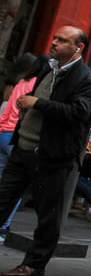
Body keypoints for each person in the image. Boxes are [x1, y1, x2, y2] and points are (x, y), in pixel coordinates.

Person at [0, 26, 91, 276]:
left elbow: (79, 112)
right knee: (2, 200)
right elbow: (40, 97)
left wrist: (39, 104)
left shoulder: (87, 79)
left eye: (62, 40)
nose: (54, 42)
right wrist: (28, 106)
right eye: (54, 37)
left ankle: (34, 264)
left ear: (78, 48)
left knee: (48, 214)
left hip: (50, 156)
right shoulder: (48, 67)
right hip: (22, 148)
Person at [0, 53, 49, 240]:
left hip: (3, 133)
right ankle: (3, 227)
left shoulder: (20, 83)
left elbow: (5, 112)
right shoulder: (38, 86)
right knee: (15, 187)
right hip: (18, 136)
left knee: (3, 184)